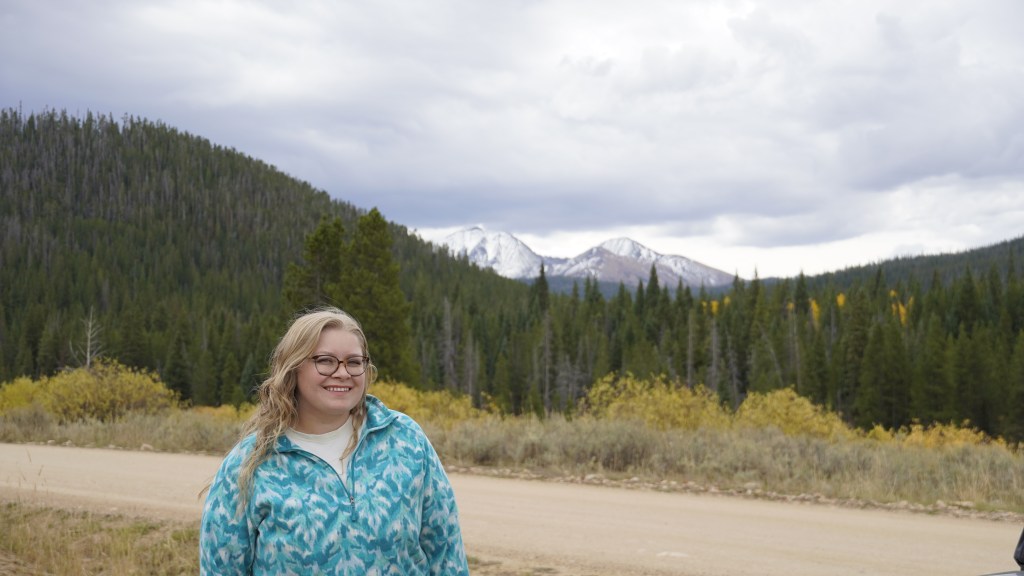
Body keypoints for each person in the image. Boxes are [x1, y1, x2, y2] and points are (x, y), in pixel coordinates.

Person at [200, 307, 469, 575]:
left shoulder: (405, 439)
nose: (343, 373)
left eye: (354, 362)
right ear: (293, 368)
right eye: (325, 361)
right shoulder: (250, 463)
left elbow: (446, 553)